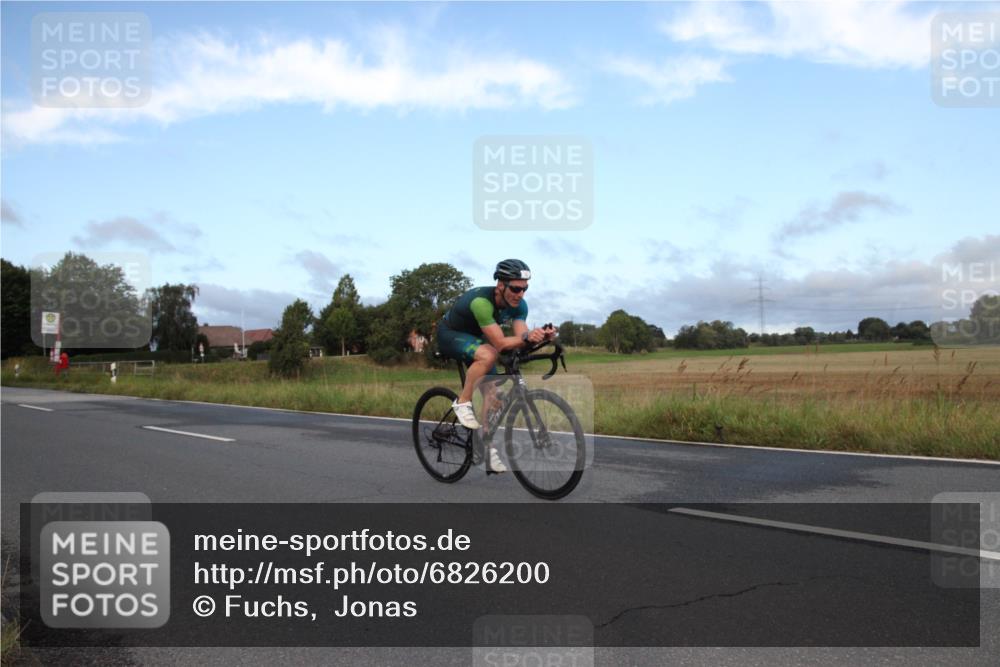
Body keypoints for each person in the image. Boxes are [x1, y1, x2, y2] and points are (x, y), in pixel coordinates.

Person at [436, 259, 556, 473]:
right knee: (489, 353)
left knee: (495, 397)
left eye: (524, 289)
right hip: (449, 335)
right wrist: (528, 338)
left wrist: (540, 337)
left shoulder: (520, 306)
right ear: (501, 285)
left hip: (475, 338)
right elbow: (500, 343)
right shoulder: (482, 302)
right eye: (516, 288)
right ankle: (462, 402)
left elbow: (521, 338)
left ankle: (486, 448)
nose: (520, 294)